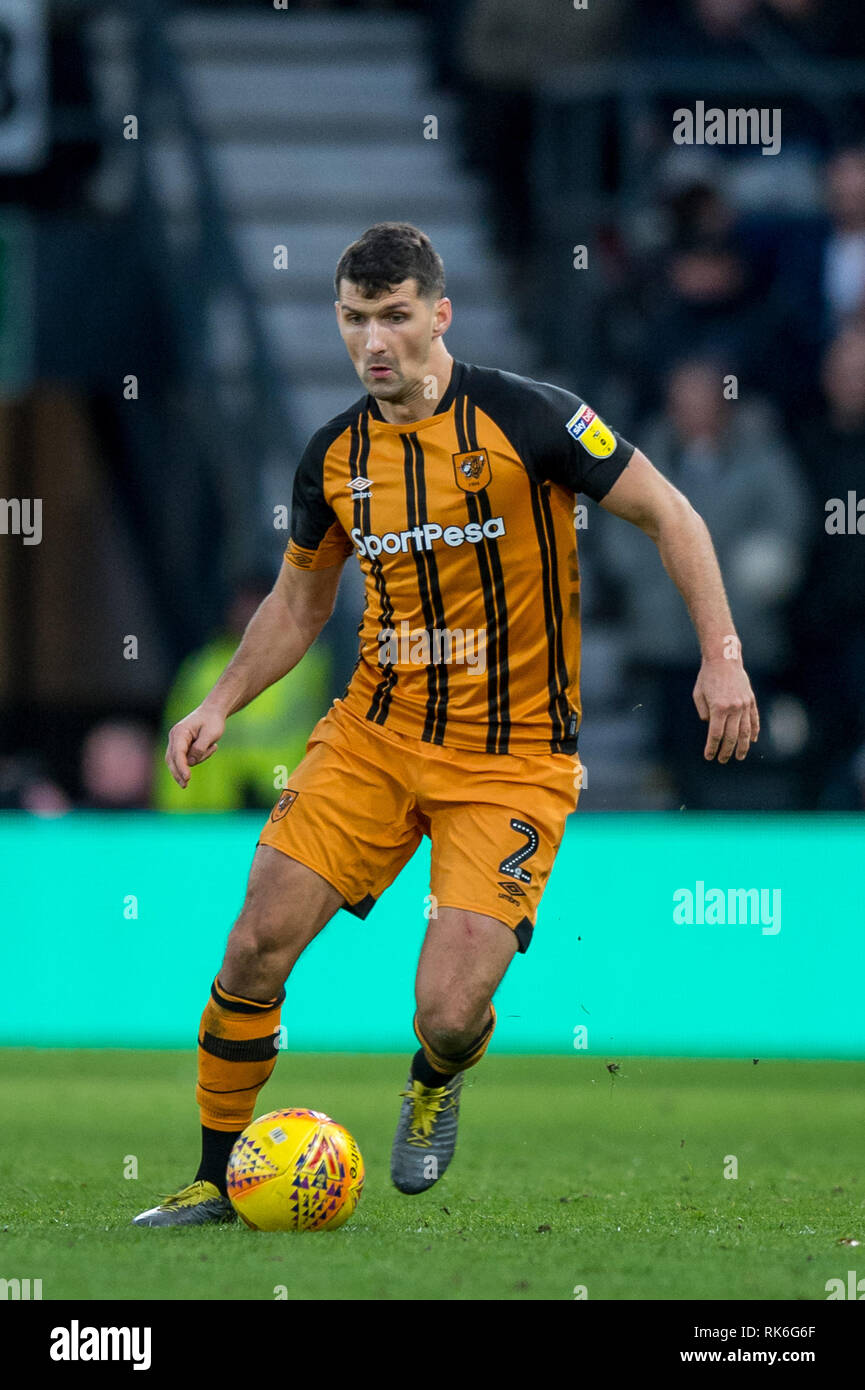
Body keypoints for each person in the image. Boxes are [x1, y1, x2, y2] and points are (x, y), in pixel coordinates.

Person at [133, 222, 759, 1226]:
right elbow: (298, 606)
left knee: (448, 1010)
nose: (372, 340)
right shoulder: (334, 456)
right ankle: (213, 1176)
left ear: (438, 313)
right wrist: (217, 702)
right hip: (374, 740)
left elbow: (672, 514)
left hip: (510, 763)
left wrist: (721, 654)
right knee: (253, 945)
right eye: (353, 318)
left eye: (392, 316)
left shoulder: (534, 418)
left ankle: (434, 1076)